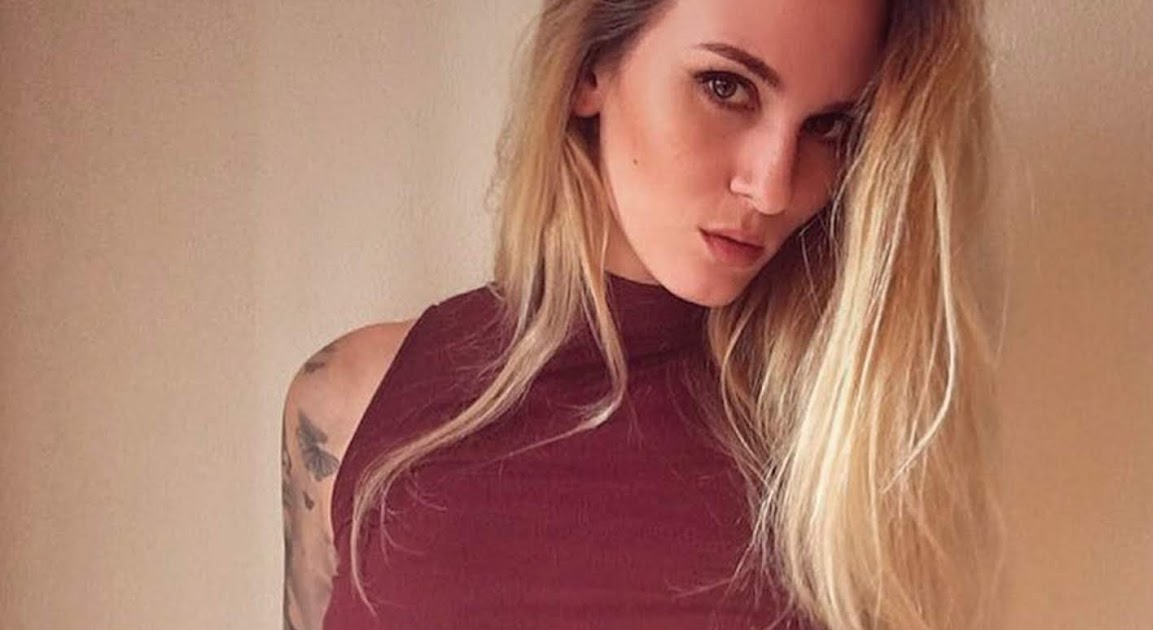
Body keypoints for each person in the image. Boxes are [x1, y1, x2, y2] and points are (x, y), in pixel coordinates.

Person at [280, 0, 1003, 628]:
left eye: (829, 126)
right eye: (726, 87)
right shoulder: (349, 399)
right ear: (589, 70)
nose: (773, 186)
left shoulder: (850, 441)